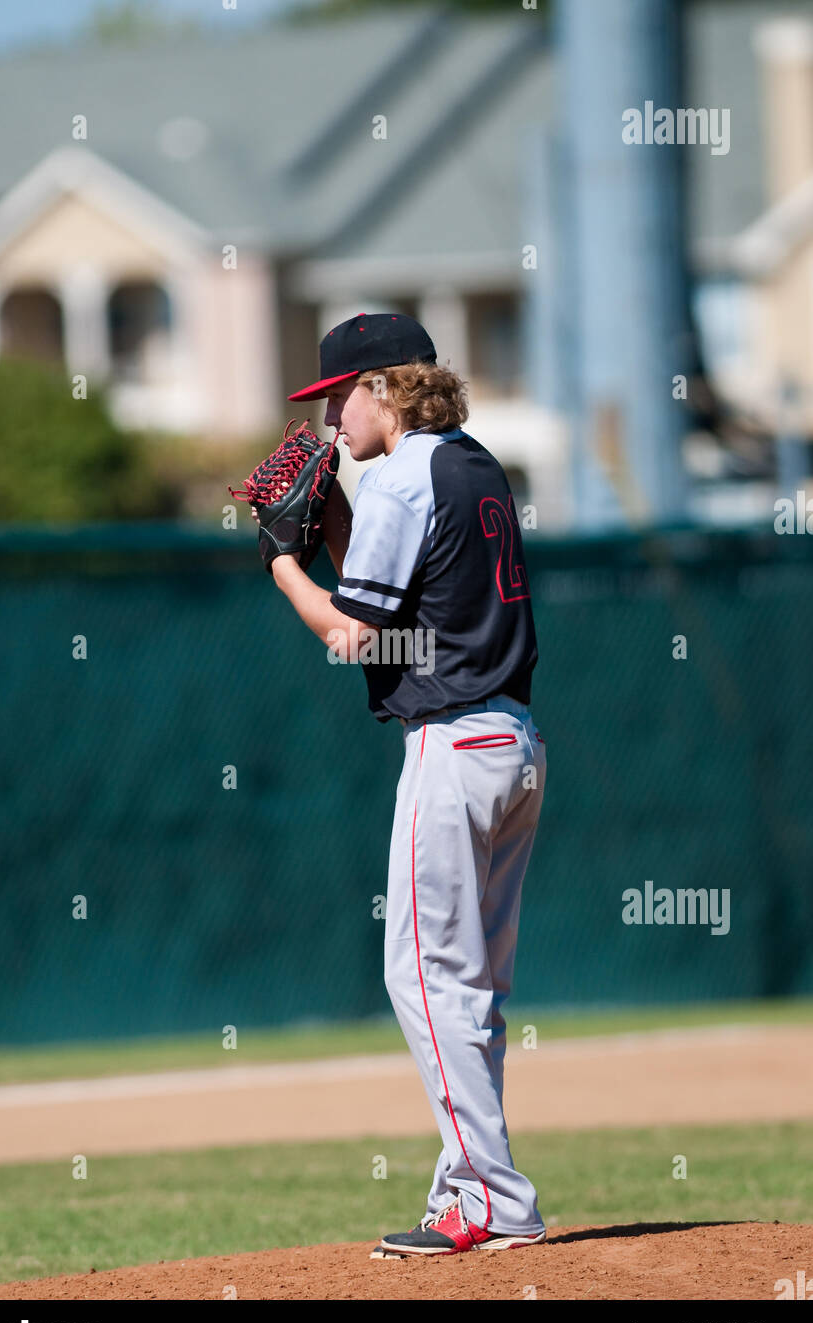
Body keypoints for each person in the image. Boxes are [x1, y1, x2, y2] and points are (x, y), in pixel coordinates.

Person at [270, 311, 547, 1257]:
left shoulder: (397, 473)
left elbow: (351, 637)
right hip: (511, 742)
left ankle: (490, 1198)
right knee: (470, 986)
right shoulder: (469, 462)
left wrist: (278, 565)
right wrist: (340, 522)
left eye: (336, 397)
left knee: (425, 979)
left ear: (384, 389)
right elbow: (402, 616)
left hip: (451, 748)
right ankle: (467, 1188)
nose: (325, 422)